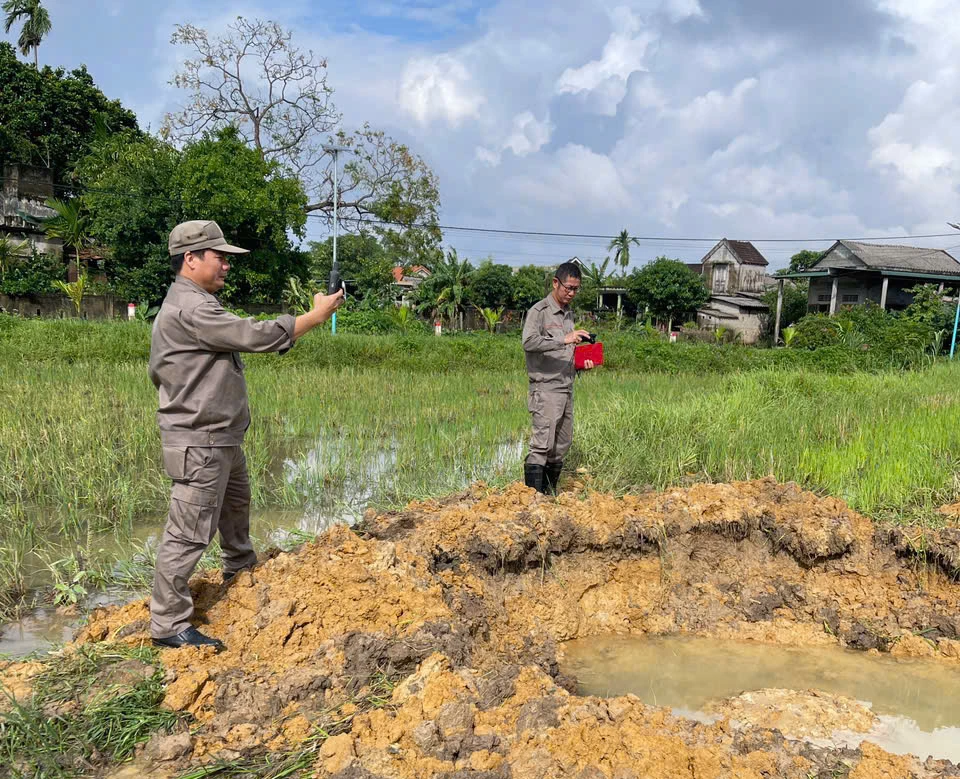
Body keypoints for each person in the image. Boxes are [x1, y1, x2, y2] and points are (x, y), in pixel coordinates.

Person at [148, 220, 343, 651]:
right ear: (191, 259)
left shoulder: (197, 303)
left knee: (234, 513)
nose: (226, 267)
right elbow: (252, 335)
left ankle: (241, 572)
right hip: (201, 441)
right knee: (188, 531)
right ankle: (168, 623)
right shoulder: (192, 308)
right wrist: (314, 316)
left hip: (221, 439)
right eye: (220, 258)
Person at [521, 261, 595, 494]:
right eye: (568, 288)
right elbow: (529, 341)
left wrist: (582, 363)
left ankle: (549, 497)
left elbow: (567, 351)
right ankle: (533, 502)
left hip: (566, 387)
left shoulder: (568, 315)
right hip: (545, 389)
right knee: (542, 445)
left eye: (576, 289)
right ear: (555, 283)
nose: (571, 293)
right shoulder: (539, 312)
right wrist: (564, 339)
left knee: (561, 444)